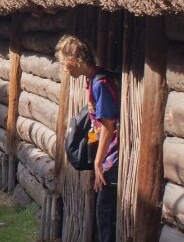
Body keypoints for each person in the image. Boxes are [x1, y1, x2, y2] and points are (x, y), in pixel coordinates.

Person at [56, 35, 120, 242]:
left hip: (113, 157)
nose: (64, 70)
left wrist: (99, 163)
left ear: (75, 61)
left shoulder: (100, 83)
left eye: (65, 64)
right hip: (107, 154)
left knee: (105, 213)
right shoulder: (92, 80)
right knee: (103, 212)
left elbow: (108, 127)